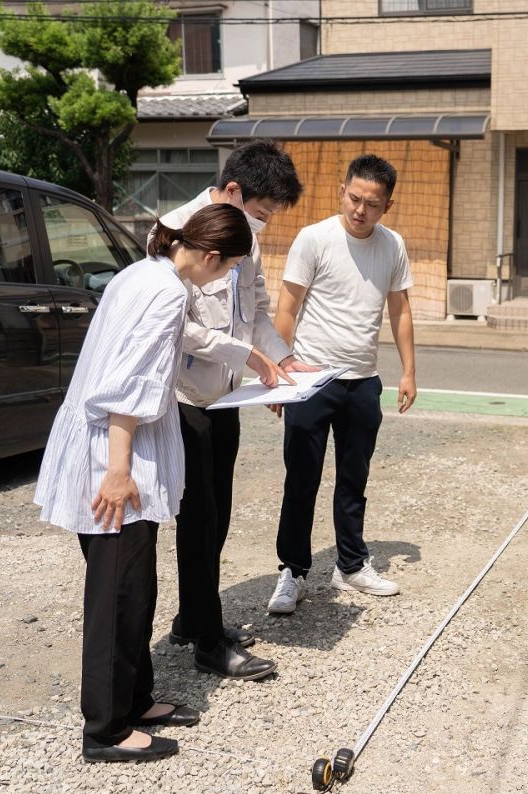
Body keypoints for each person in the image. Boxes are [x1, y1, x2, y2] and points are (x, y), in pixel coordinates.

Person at [34, 204, 253, 763]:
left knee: (137, 584)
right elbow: (127, 386)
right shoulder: (167, 291)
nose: (224, 278)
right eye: (227, 268)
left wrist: (249, 354)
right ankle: (105, 729)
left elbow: (188, 342)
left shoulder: (144, 271)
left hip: (106, 446)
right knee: (119, 594)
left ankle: (135, 698)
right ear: (209, 256)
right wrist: (117, 471)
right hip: (113, 456)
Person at [155, 140, 317, 680]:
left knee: (216, 516)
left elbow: (258, 312)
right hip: (184, 401)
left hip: (227, 398)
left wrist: (284, 358)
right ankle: (207, 640)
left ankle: (191, 618)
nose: (263, 226)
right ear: (232, 192)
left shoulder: (246, 238)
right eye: (262, 212)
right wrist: (244, 354)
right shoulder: (173, 231)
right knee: (198, 521)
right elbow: (175, 325)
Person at [266, 154, 417, 614]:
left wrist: (409, 370)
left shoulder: (393, 246)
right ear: (342, 190)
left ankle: (351, 564)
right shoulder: (313, 239)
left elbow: (401, 309)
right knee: (301, 480)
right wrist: (279, 372)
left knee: (354, 480)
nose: (360, 210)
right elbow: (287, 308)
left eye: (372, 204)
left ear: (386, 206)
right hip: (311, 380)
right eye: (354, 198)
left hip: (363, 381)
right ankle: (292, 571)